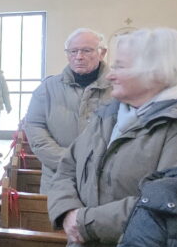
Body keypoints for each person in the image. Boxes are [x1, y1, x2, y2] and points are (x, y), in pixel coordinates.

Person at [47, 27, 177, 247]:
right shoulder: (108, 116)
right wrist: (67, 211)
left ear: (157, 72)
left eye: (120, 67)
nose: (110, 75)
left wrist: (86, 222)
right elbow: (68, 166)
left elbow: (165, 204)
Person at [23, 28, 112, 193]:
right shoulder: (48, 88)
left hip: (105, 181)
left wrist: (98, 164)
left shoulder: (119, 88)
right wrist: (68, 161)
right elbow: (35, 127)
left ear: (102, 53)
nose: (79, 56)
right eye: (73, 51)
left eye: (87, 50)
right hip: (58, 178)